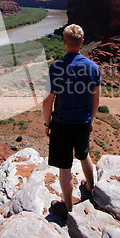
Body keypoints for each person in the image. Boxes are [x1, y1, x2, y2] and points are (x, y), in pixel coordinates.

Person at [42, 24, 101, 216]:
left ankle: (67, 206)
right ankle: (91, 188)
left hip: (61, 124)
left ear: (64, 42)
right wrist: (91, 119)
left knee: (65, 167)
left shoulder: (56, 67)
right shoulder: (93, 67)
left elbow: (47, 101)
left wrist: (47, 124)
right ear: (82, 43)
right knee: (84, 155)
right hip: (83, 122)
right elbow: (96, 99)